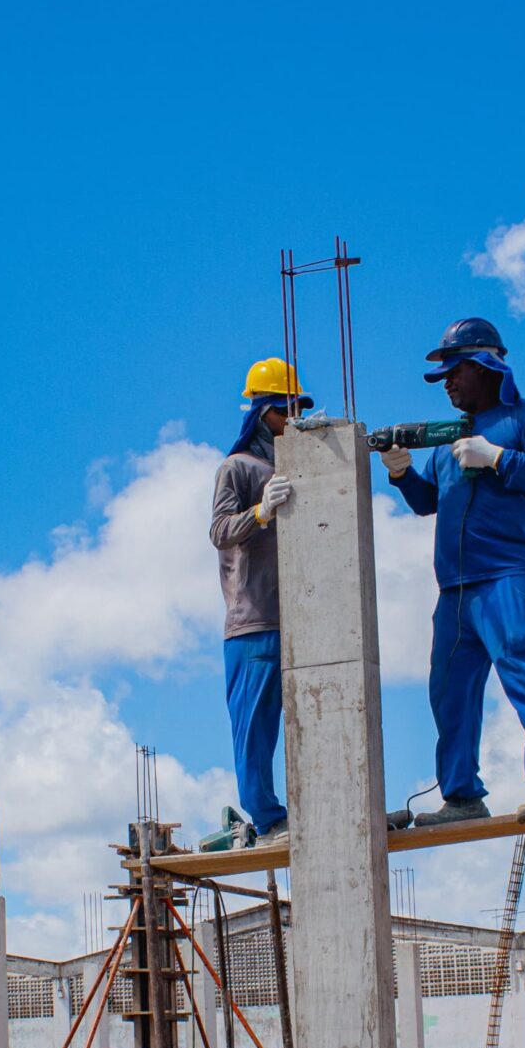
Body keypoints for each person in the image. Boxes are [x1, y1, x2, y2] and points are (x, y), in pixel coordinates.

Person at [381, 318, 525, 826]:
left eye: (454, 372)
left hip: (512, 577)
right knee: (449, 693)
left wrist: (498, 459)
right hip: (455, 591)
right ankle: (461, 796)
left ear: (485, 367)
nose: (447, 383)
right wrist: (403, 474)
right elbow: (431, 502)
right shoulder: (451, 440)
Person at [208, 357, 308, 845]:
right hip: (253, 623)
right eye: (285, 410)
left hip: (298, 621)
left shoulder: (291, 468)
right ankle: (268, 818)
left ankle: (300, 808)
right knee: (255, 729)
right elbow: (221, 531)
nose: (292, 419)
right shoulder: (238, 468)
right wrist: (261, 511)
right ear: (264, 411)